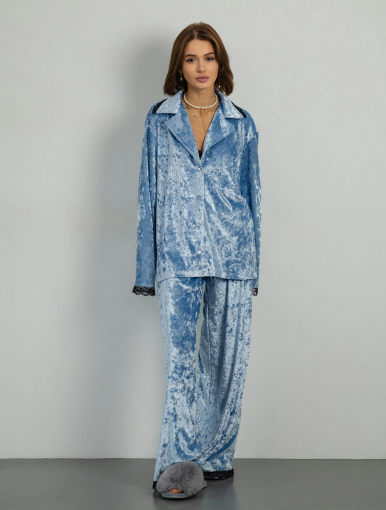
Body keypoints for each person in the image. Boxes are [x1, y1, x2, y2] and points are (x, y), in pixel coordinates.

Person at [131, 22, 262, 499]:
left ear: (219, 63)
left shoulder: (242, 123)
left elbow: (254, 195)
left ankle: (216, 458)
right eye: (191, 59)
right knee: (181, 366)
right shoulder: (159, 120)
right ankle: (176, 466)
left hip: (233, 252)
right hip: (177, 252)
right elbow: (148, 195)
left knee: (227, 364)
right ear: (179, 66)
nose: (201, 67)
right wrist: (147, 269)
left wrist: (254, 266)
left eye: (209, 57)